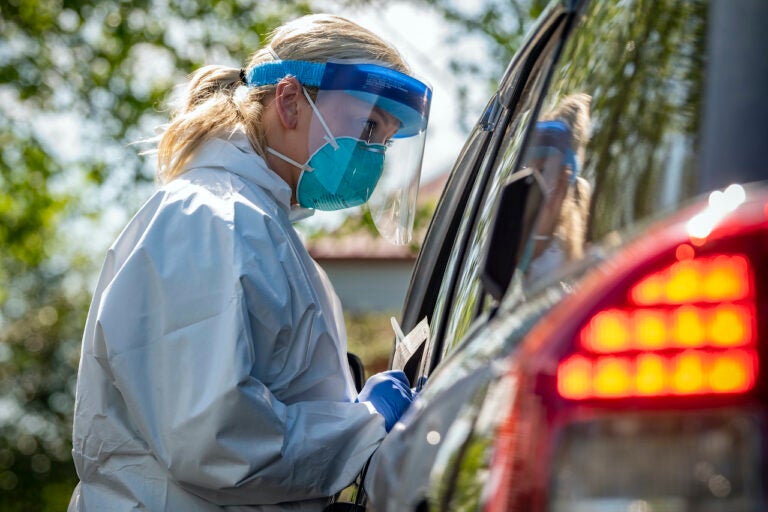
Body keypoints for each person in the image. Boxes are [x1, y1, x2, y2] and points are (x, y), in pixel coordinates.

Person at [69, 14, 432, 511]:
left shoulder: (259, 225)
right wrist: (364, 422)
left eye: (384, 141)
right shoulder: (211, 219)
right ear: (288, 101)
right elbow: (214, 441)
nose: (371, 156)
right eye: (367, 125)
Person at [520, 93, 592, 284]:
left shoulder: (578, 260)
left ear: (565, 179)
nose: (532, 183)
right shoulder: (513, 244)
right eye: (527, 171)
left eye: (542, 171)